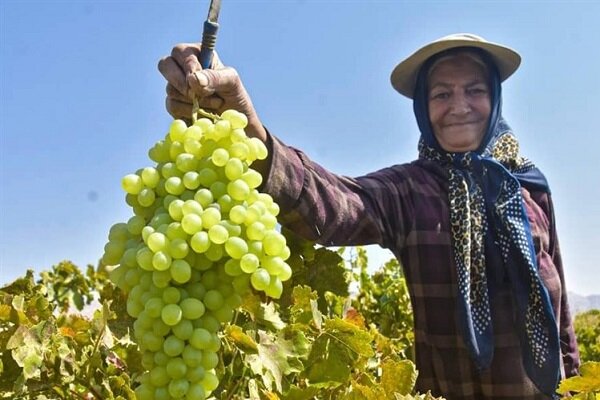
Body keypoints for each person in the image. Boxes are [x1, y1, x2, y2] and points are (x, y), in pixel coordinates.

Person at [159, 33, 580, 399]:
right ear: (422, 107)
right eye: (441, 94)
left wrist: (576, 384)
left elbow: (560, 322)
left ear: (495, 98)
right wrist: (248, 126)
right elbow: (330, 201)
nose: (460, 106)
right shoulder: (409, 190)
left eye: (475, 90)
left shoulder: (530, 188)